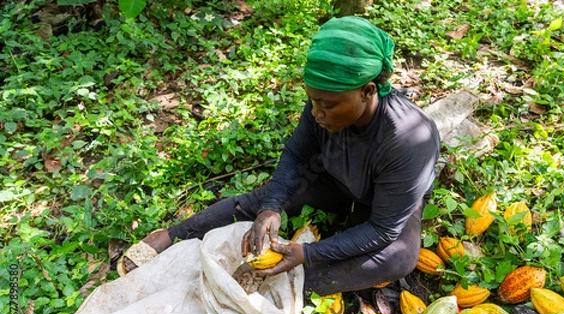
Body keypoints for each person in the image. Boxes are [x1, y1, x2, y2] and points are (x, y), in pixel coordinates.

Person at [117, 16, 440, 296]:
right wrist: (271, 207)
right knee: (262, 201)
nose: (316, 113)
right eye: (312, 101)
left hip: (381, 203)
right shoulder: (324, 101)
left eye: (327, 105)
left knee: (398, 258)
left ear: (367, 91)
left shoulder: (408, 141)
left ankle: (290, 284)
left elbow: (383, 229)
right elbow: (297, 154)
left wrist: (307, 253)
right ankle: (172, 235)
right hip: (335, 177)